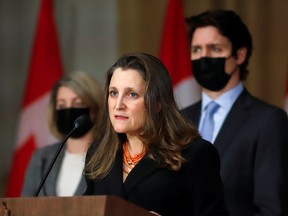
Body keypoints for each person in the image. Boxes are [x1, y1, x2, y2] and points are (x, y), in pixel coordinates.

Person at [83, 53, 228, 216]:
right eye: (113, 93)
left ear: (157, 103)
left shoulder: (194, 154)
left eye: (132, 94)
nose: (118, 105)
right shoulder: (98, 154)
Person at [182, 9, 288, 216]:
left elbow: (272, 209)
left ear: (239, 54)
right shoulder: (178, 120)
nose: (204, 57)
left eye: (214, 49)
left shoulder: (268, 121)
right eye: (196, 50)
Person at [21, 71, 102, 197]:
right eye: (62, 105)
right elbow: (23, 208)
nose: (69, 110)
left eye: (77, 103)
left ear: (95, 110)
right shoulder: (41, 158)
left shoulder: (109, 157)